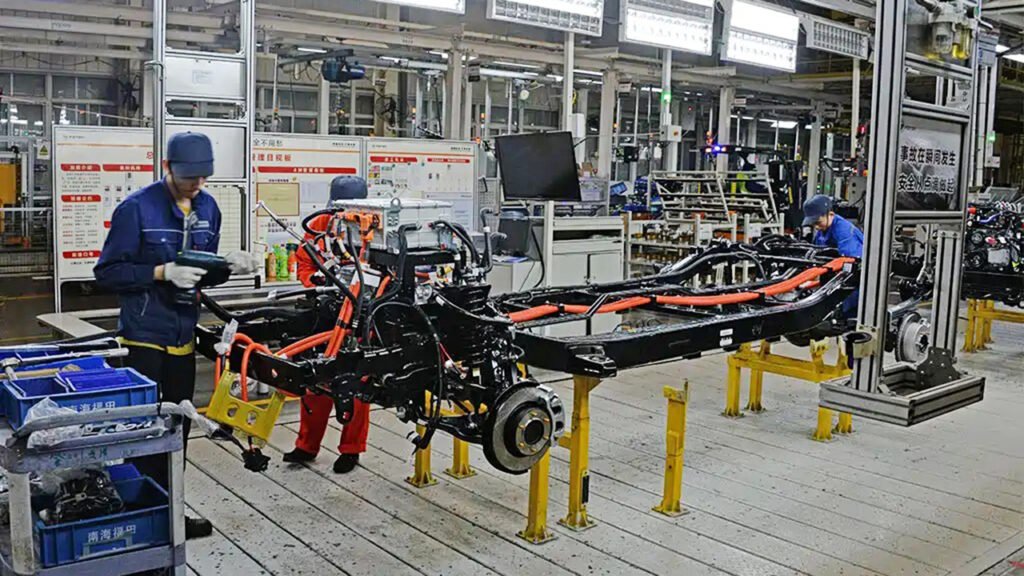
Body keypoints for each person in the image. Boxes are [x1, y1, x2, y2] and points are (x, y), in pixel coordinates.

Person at [94, 132, 260, 539]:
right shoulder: (137, 209)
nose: (196, 185)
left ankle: (169, 516)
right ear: (167, 167)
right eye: (189, 177)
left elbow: (203, 273)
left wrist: (227, 265)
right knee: (144, 430)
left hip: (183, 338)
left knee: (176, 433)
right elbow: (107, 273)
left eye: (203, 177)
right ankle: (138, 516)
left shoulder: (209, 208)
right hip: (143, 338)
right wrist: (159, 272)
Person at [283, 176, 371, 474]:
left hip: (359, 316)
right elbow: (304, 260)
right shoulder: (321, 224)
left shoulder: (375, 228)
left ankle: (351, 449)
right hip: (324, 311)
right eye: (337, 208)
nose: (341, 215)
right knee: (314, 380)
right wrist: (314, 282)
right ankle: (306, 445)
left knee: (355, 384)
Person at [803, 194, 863, 317]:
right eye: (813, 224)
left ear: (831, 214)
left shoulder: (844, 231)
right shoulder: (822, 230)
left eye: (818, 222)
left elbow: (851, 263)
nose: (816, 227)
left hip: (855, 282)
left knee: (845, 313)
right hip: (833, 278)